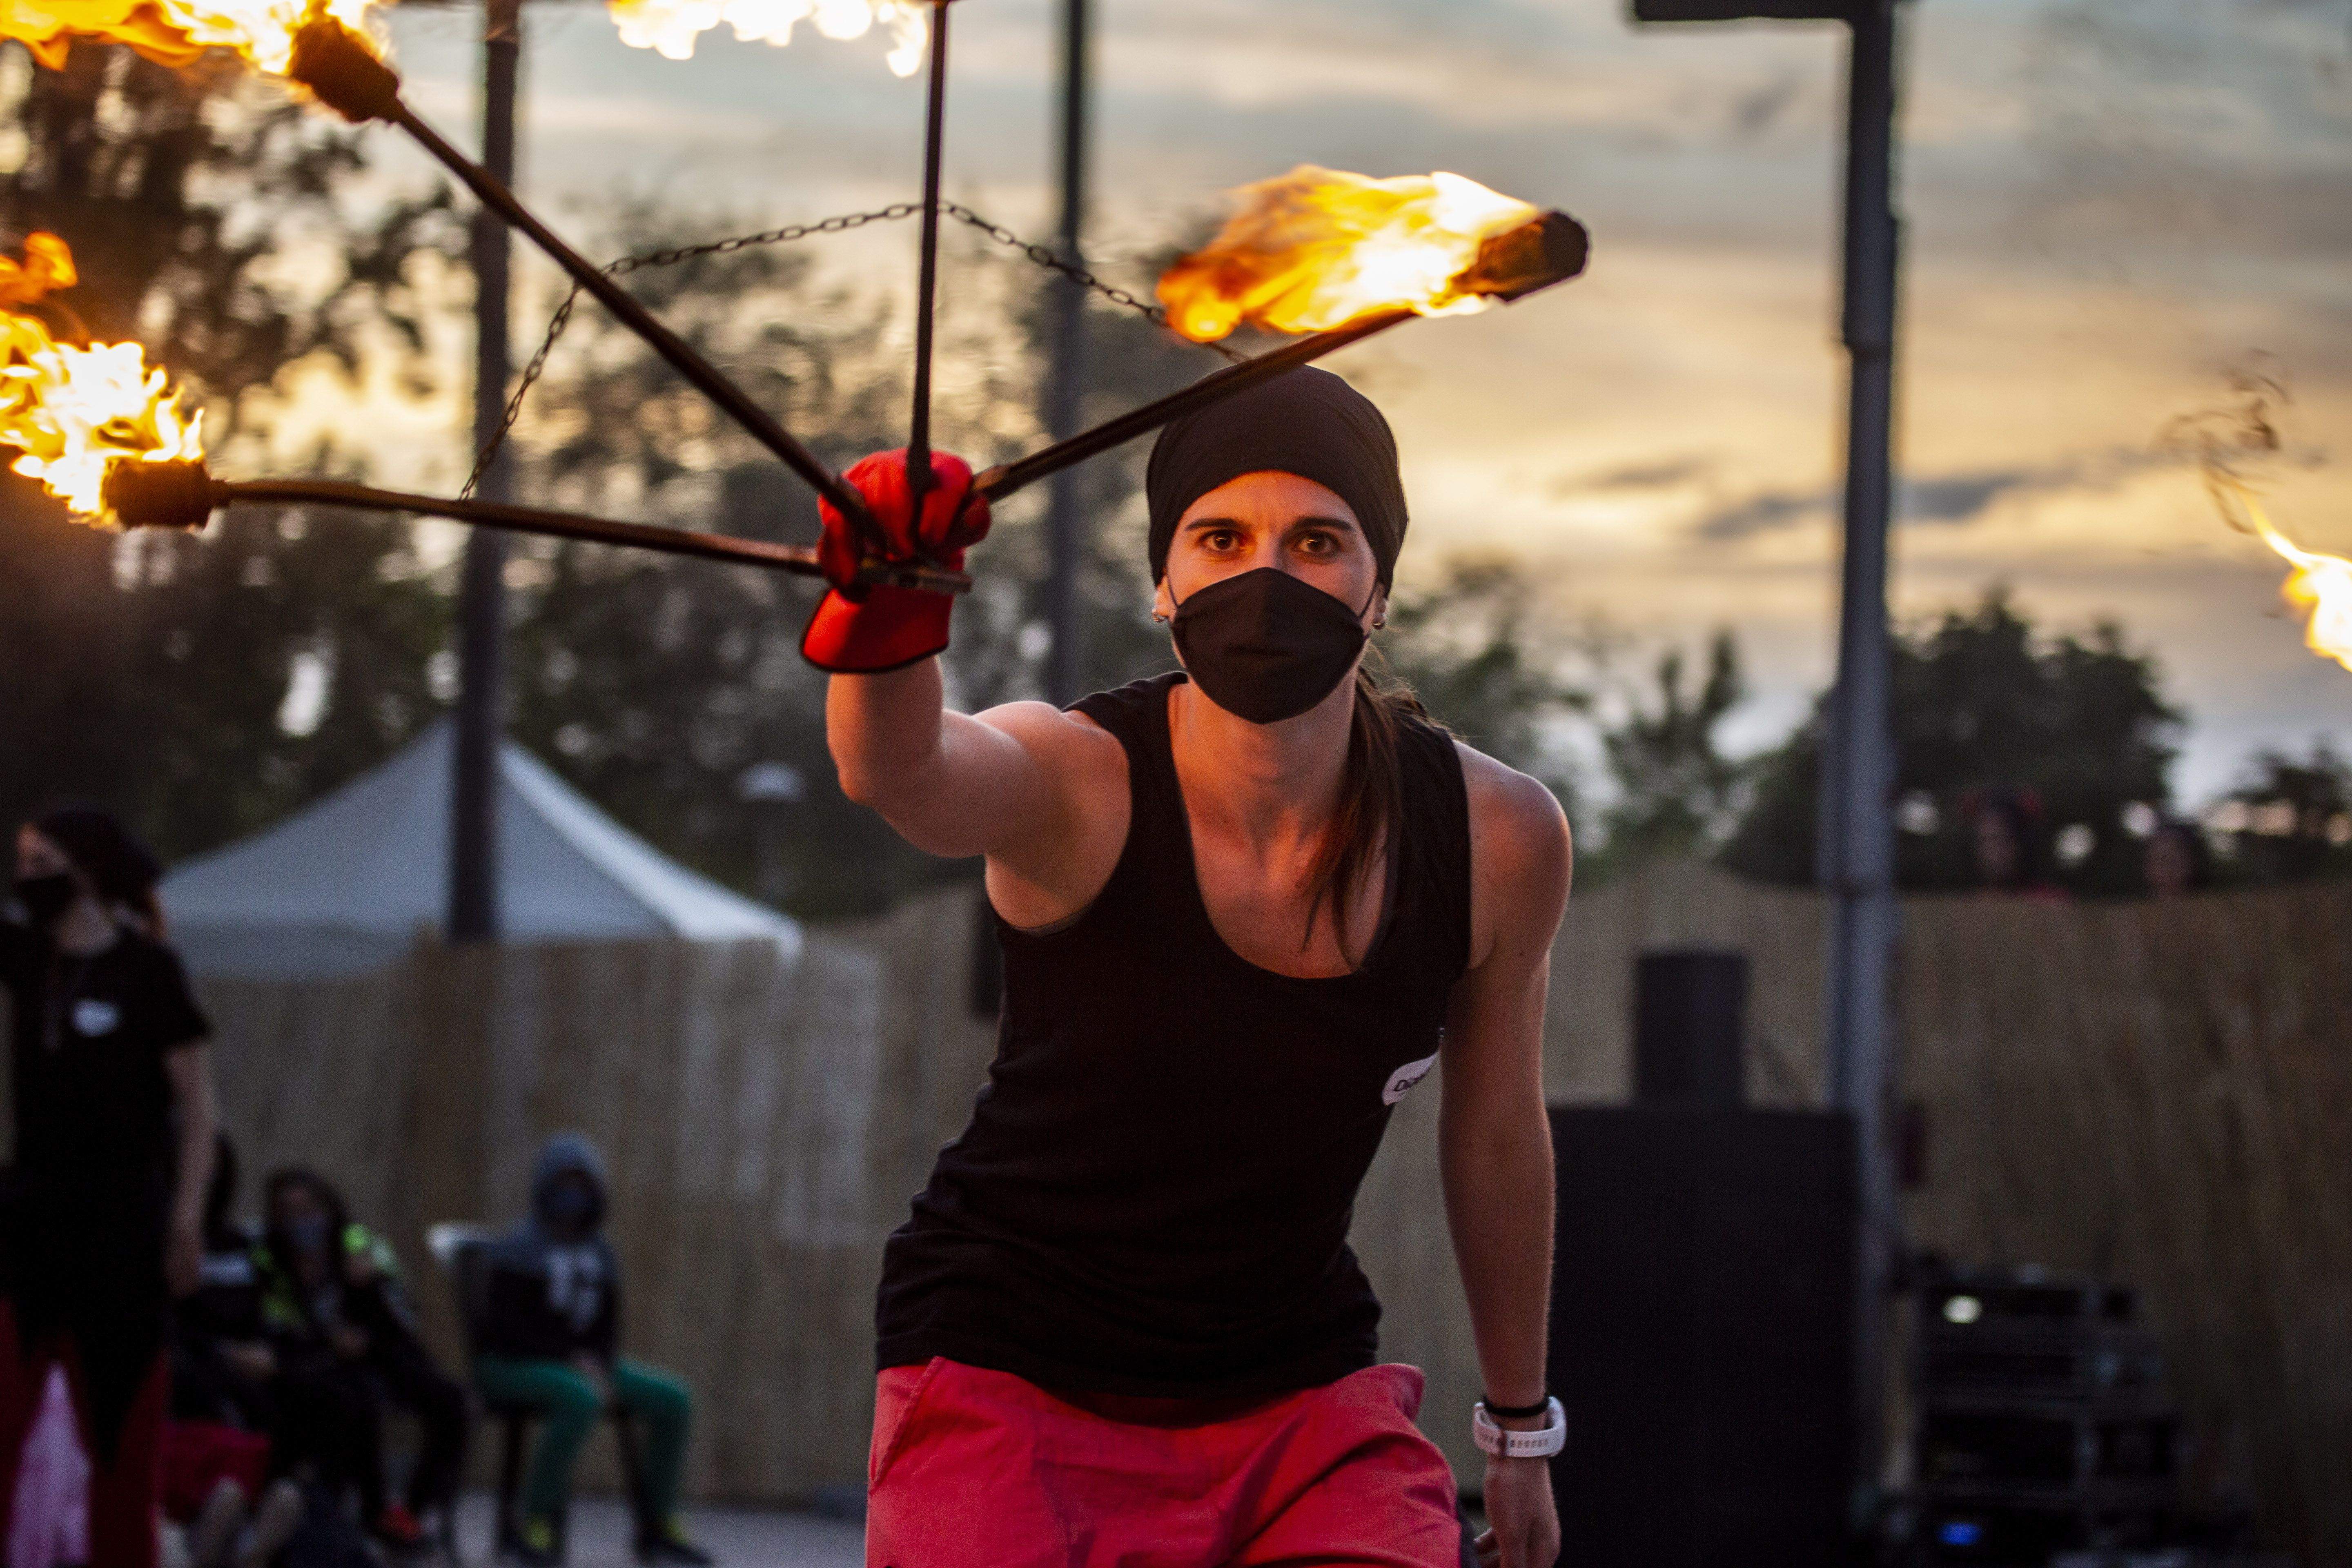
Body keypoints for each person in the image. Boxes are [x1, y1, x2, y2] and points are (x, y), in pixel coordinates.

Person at [809, 367, 1570, 1568]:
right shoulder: (1077, 778)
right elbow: (901, 772)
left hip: (1293, 1396)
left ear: (1378, 589)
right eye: (1221, 538)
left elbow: (1496, 1132)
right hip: (1013, 1372)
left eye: (1317, 540)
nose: (1267, 576)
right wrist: (887, 606)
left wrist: (1519, 1429)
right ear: (1164, 581)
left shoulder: (1497, 835)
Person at [0, 807, 217, 1568]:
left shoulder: (149, 971)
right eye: (21, 864)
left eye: (43, 863)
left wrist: (187, 1222)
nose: (27, 880)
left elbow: (200, 1111)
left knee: (122, 1455)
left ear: (87, 870)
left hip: (123, 1239)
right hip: (27, 1228)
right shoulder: (27, 956)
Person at [473, 1134, 709, 1566]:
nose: (573, 1196)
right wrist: (571, 1359)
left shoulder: (600, 1253)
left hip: (582, 1364)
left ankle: (657, 1523)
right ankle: (533, 1521)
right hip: (513, 1364)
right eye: (564, 1184)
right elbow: (506, 1331)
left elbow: (606, 1329)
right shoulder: (518, 1250)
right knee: (579, 1399)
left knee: (673, 1400)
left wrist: (598, 1362)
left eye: (582, 1185)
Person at [250, 1168, 466, 1554]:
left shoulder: (358, 1245)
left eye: (310, 1210)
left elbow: (404, 1321)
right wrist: (328, 1341)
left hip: (379, 1354)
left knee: (452, 1401)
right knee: (355, 1398)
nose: (303, 1223)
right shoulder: (270, 1261)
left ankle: (413, 1513)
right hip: (314, 1366)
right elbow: (276, 1330)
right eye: (291, 1213)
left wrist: (372, 1287)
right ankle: (369, 1512)